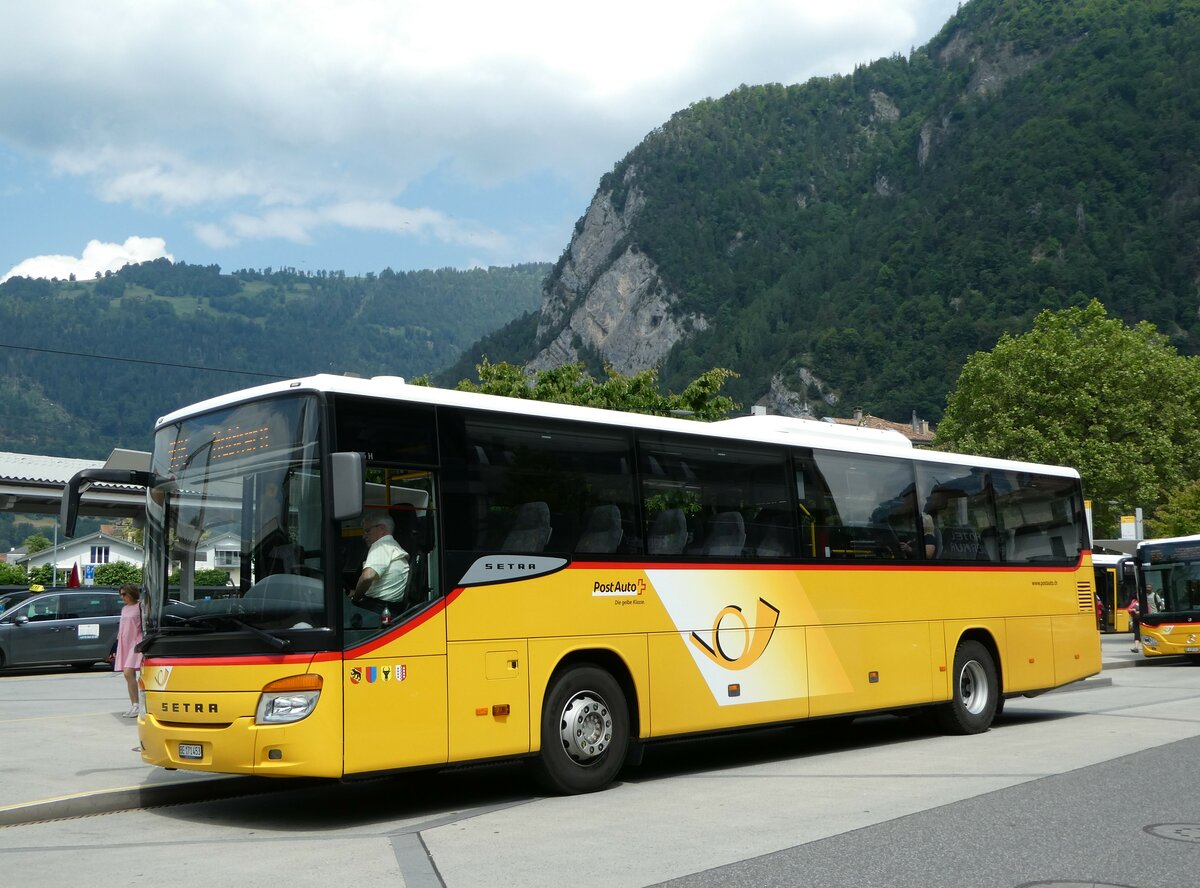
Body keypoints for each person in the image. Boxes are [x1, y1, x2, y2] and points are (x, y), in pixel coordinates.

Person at [347, 510, 409, 615]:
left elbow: (367, 577)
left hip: (375, 609)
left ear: (382, 529)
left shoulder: (381, 545)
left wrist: (356, 597)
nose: (364, 536)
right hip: (388, 608)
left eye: (367, 531)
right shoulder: (393, 547)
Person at [114, 584, 144, 718]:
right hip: (125, 642)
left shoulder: (140, 606)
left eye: (124, 594)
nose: (122, 597)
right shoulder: (124, 609)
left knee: (128, 672)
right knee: (128, 674)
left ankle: (138, 705)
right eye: (121, 594)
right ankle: (135, 705)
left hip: (136, 642)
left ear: (132, 593)